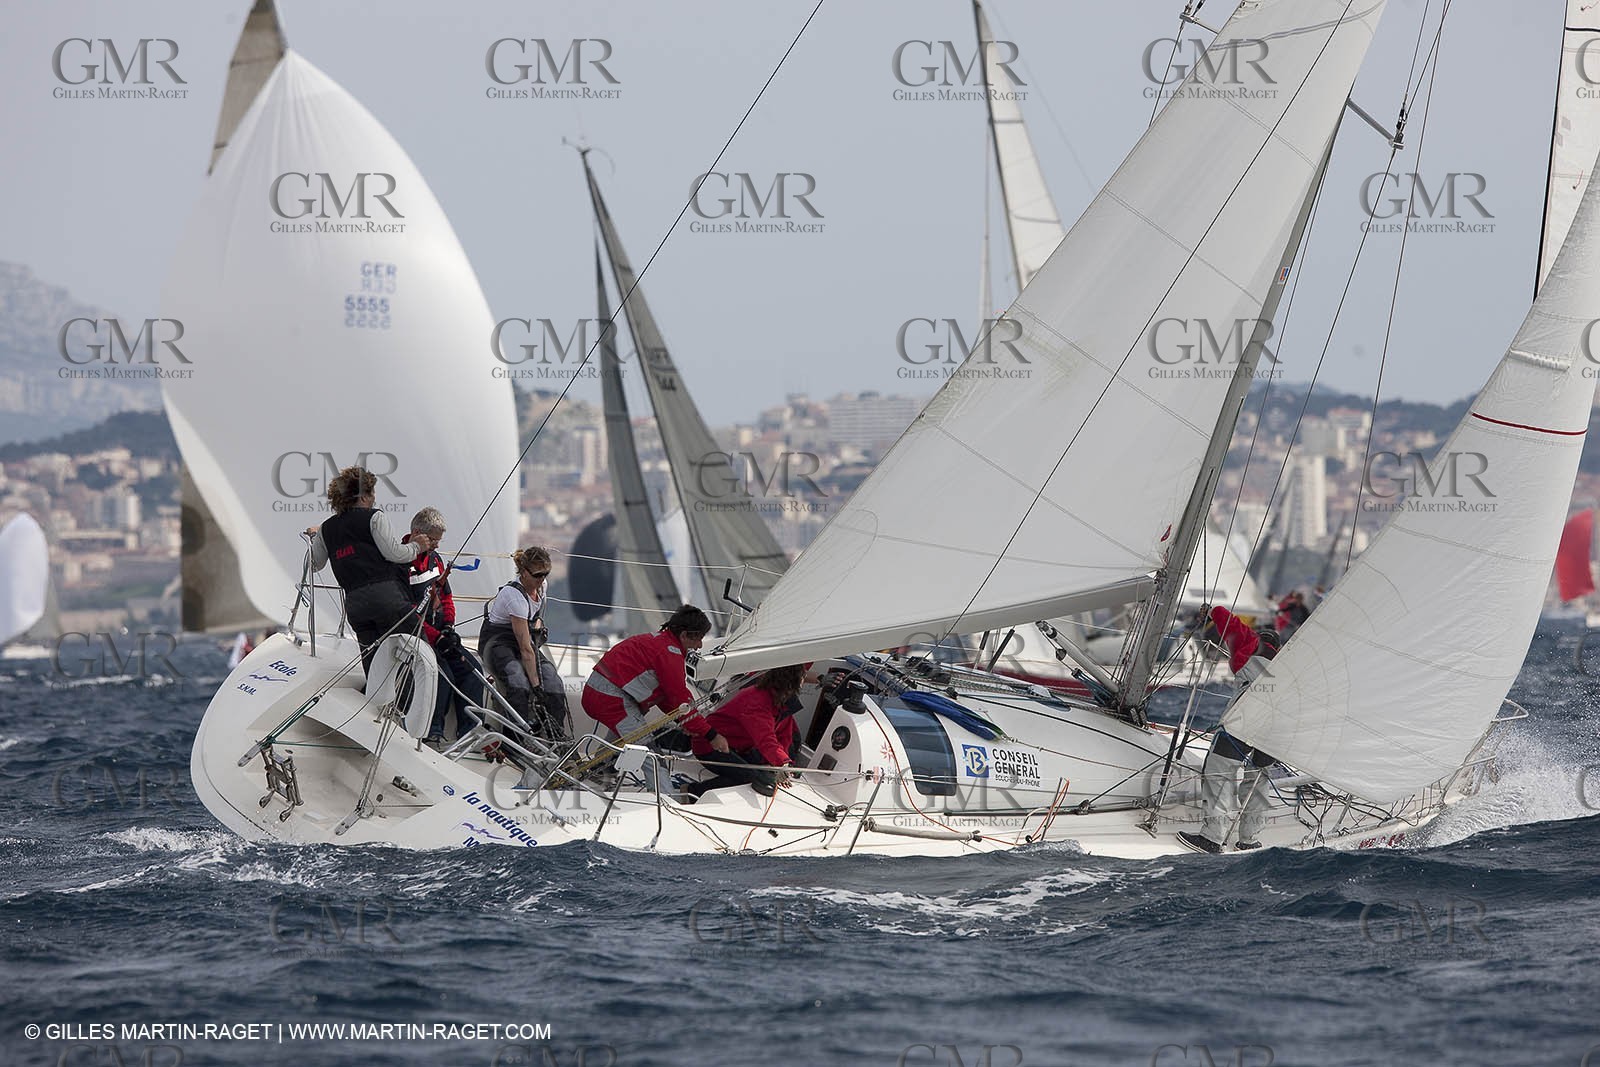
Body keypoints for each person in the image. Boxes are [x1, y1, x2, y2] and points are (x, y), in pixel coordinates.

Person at [307, 466, 431, 675]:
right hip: (387, 599)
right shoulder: (374, 518)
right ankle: (420, 707)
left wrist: (315, 539)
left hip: (355, 606)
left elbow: (314, 564)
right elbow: (394, 553)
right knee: (420, 654)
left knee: (375, 666)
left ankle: (379, 705)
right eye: (372, 493)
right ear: (363, 497)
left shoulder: (326, 529)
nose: (374, 498)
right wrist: (417, 546)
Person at [1179, 606, 1283, 855]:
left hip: (1244, 716)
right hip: (1273, 726)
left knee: (1219, 772)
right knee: (1259, 780)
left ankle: (1212, 839)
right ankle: (1249, 840)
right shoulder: (1287, 664)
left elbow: (1230, 623)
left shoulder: (1252, 644)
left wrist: (1213, 610)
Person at [582, 605, 727, 762]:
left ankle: (599, 768)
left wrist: (685, 722)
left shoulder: (659, 641)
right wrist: (712, 735)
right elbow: (677, 700)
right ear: (684, 635)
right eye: (699, 638)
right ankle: (662, 787)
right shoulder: (669, 653)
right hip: (610, 698)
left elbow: (667, 697)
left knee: (626, 730)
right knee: (651, 757)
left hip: (600, 693)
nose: (699, 645)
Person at [405, 507, 483, 745]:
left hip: (439, 633)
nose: (437, 545)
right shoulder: (402, 561)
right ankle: (432, 730)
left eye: (439, 540)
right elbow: (405, 611)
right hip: (417, 635)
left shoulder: (435, 559)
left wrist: (448, 626)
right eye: (433, 539)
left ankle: (469, 731)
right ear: (417, 533)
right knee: (442, 674)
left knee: (472, 669)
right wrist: (436, 637)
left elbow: (446, 597)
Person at [478, 546, 569, 743]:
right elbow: (526, 650)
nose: (542, 580)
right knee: (518, 681)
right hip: (497, 643)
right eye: (537, 575)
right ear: (524, 572)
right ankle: (514, 739)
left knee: (553, 681)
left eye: (546, 574)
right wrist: (536, 687)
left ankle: (555, 736)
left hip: (523, 638)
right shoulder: (514, 597)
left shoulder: (540, 588)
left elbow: (534, 621)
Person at [685, 664, 806, 801]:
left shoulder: (782, 702)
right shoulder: (757, 701)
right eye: (802, 676)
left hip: (740, 748)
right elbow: (765, 739)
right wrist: (781, 763)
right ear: (791, 681)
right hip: (711, 745)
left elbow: (784, 736)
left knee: (762, 770)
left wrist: (781, 765)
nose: (804, 679)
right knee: (748, 777)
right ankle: (693, 792)